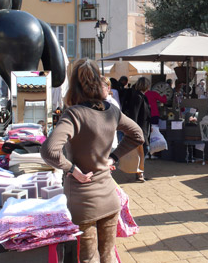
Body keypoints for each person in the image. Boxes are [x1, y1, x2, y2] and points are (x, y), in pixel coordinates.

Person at [40, 59, 144, 263]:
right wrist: (113, 157)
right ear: (98, 82)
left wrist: (72, 169)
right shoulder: (112, 111)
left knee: (88, 259)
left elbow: (49, 151)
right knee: (108, 256)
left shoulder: (74, 114)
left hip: (83, 199)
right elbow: (137, 135)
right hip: (109, 194)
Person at [123, 77, 151, 182]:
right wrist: (134, 129)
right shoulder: (138, 97)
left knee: (144, 150)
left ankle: (140, 172)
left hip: (143, 127)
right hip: (140, 128)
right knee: (143, 150)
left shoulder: (141, 96)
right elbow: (134, 114)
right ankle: (139, 173)